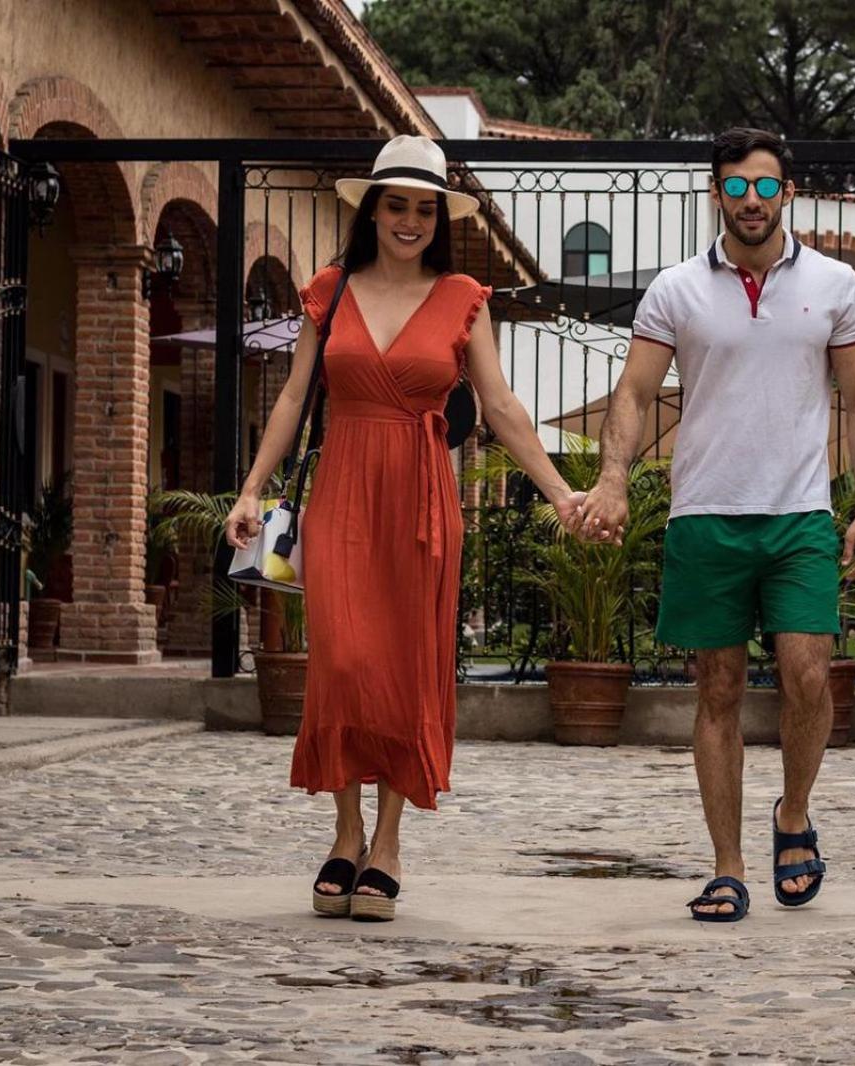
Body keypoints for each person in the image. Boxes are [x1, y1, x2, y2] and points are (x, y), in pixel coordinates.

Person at [225, 136, 586, 922]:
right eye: (398, 205)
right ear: (373, 210)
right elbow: (292, 397)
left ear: (439, 219)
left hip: (422, 502)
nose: (411, 220)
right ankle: (344, 831)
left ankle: (386, 844)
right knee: (345, 663)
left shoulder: (463, 297)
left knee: (406, 671)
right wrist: (251, 489)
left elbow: (500, 407)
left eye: (425, 208)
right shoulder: (329, 290)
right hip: (344, 493)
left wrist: (560, 493)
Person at [578, 127, 855, 922]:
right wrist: (612, 478)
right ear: (717, 192)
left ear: (788, 192)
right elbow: (634, 394)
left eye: (766, 185)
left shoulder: (835, 285)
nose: (753, 200)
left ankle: (794, 813)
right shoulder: (675, 290)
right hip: (705, 514)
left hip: (800, 514)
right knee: (717, 689)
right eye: (737, 186)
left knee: (808, 675)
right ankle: (727, 866)